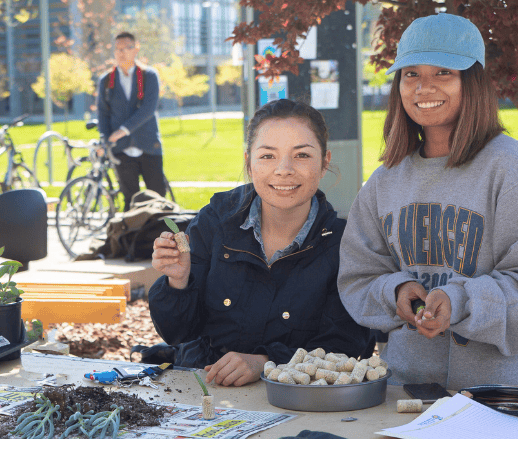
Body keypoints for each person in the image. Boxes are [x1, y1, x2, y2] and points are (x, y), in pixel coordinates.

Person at [337, 13, 518, 394]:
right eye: (411, 74)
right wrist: (395, 292)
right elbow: (359, 275)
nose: (423, 87)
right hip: (408, 390)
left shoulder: (511, 167)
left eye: (443, 72)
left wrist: (458, 301)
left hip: (502, 394)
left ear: (472, 81)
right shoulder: (385, 180)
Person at [148, 99, 373, 387]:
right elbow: (176, 333)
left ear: (325, 161)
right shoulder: (215, 221)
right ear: (248, 163)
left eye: (302, 155)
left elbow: (347, 348)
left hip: (296, 404)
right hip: (206, 391)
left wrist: (267, 361)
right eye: (267, 156)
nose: (284, 169)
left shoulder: (342, 244)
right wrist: (177, 282)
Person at [96, 31, 166, 210]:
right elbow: (103, 114)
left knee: (158, 199)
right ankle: (134, 238)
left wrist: (122, 131)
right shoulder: (106, 81)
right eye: (117, 49)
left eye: (126, 48)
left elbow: (148, 109)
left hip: (149, 145)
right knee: (131, 201)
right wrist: (105, 140)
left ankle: (160, 237)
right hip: (121, 150)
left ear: (136, 49)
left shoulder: (149, 75)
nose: (121, 53)